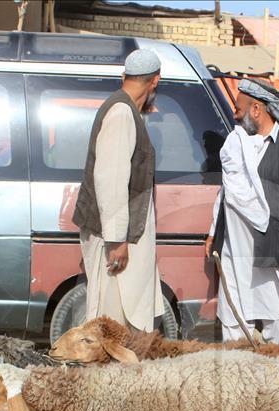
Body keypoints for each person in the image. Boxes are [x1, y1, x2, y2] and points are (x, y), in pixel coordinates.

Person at [204, 79, 279, 344]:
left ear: (256, 109)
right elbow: (227, 191)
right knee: (234, 319)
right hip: (234, 250)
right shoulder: (235, 143)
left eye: (238, 109)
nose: (234, 115)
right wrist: (212, 232)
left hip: (272, 246)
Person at [73, 49, 165, 333]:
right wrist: (116, 241)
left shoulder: (129, 111)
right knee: (110, 318)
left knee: (122, 318)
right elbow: (110, 180)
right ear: (155, 81)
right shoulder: (121, 113)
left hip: (124, 233)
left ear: (125, 76)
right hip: (114, 237)